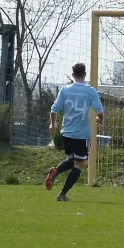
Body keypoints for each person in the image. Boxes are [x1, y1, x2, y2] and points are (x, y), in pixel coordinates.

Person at [44, 63, 104, 201]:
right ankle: (62, 194)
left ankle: (56, 172)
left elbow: (54, 110)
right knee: (79, 164)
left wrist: (53, 125)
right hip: (82, 134)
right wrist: (99, 119)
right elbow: (100, 111)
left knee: (71, 160)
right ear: (85, 74)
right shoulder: (90, 91)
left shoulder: (65, 90)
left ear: (72, 74)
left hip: (67, 133)